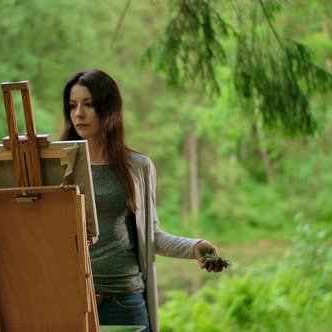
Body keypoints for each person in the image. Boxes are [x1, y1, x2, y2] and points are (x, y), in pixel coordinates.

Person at [60, 69, 226, 332]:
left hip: (124, 303)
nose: (78, 113)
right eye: (72, 105)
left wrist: (194, 247)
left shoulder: (138, 167)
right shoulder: (59, 167)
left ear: (108, 108)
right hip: (71, 303)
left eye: (88, 104)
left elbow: (151, 236)